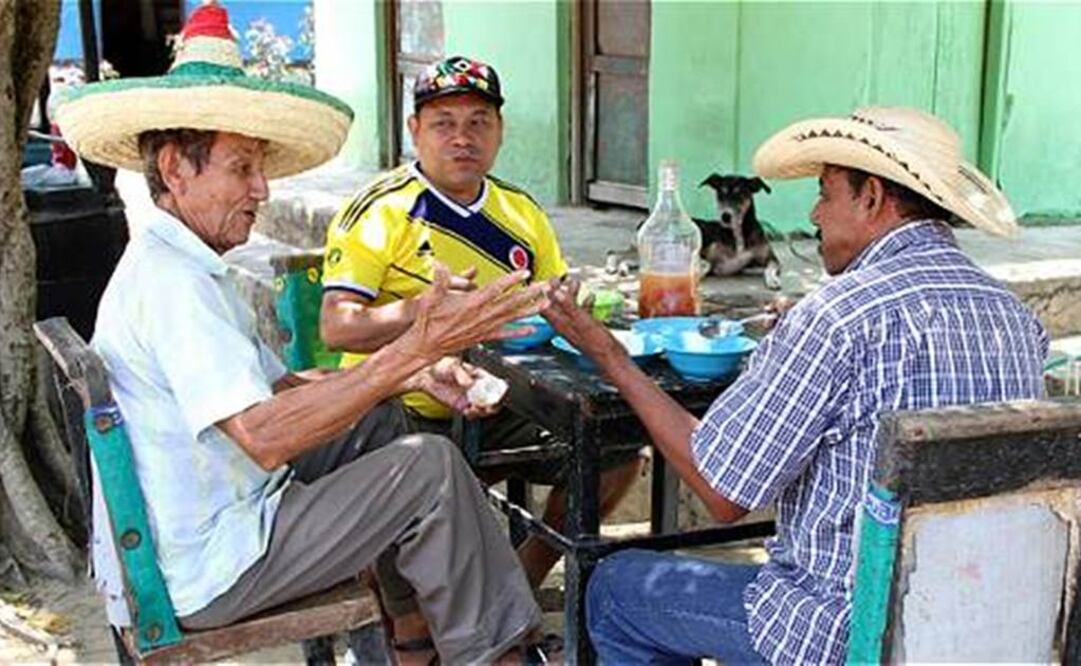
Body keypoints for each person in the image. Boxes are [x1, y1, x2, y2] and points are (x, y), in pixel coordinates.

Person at [56, 4, 549, 663]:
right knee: (428, 468)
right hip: (211, 565)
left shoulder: (187, 265)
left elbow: (282, 388)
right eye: (241, 169)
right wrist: (416, 346)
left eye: (260, 168)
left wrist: (411, 371)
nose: (261, 189)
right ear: (175, 169)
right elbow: (264, 436)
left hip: (217, 524)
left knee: (382, 422)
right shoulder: (173, 286)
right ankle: (494, 653)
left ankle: (421, 633)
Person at [540, 106, 1049, 664]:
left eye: (825, 193)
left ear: (872, 197)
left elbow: (722, 493)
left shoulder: (835, 316)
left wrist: (609, 355)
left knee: (615, 586)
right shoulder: (1016, 319)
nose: (813, 214)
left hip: (839, 633)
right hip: (970, 625)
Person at [319, 55, 643, 589]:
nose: (462, 138)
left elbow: (553, 302)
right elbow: (339, 327)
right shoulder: (379, 211)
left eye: (479, 123)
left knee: (616, 453)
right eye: (444, 123)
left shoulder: (521, 211)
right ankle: (410, 628)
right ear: (414, 130)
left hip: (502, 406)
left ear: (499, 132)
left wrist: (575, 311)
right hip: (401, 409)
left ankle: (524, 576)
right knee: (409, 527)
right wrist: (427, 315)